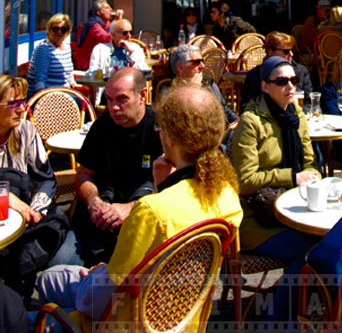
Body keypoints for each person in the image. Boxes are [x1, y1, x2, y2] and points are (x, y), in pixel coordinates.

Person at [36, 85, 243, 326]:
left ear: (171, 138)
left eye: (161, 129)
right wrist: (163, 187)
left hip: (129, 322)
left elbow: (103, 296)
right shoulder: (227, 196)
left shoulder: (152, 210)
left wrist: (98, 274)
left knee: (49, 280)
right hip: (183, 319)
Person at [52, 68, 162, 267]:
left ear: (142, 95)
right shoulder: (101, 127)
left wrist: (131, 208)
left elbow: (173, 187)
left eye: (122, 99)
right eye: (109, 100)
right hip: (95, 222)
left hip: (140, 223)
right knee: (58, 265)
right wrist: (94, 202)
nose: (114, 108)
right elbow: (84, 174)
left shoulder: (160, 129)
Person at [231, 56, 320, 263]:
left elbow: (310, 163)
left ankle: (297, 294)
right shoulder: (250, 122)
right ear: (265, 86)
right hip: (259, 217)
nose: (290, 86)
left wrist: (313, 176)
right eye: (281, 82)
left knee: (332, 241)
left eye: (293, 80)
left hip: (296, 208)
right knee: (308, 252)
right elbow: (245, 181)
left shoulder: (296, 115)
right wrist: (292, 177)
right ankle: (289, 295)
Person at [0, 75, 68, 303]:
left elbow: (46, 179)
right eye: (13, 104)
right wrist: (9, 199)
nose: (21, 110)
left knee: (55, 225)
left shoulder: (25, 131)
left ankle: (16, 289)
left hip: (25, 216)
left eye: (23, 102)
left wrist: (35, 209)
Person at [164, 44, 238, 128]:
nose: (202, 66)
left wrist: (238, 121)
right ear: (180, 68)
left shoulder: (209, 84)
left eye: (203, 61)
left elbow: (225, 110)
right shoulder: (169, 93)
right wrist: (193, 90)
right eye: (196, 62)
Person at [241, 31, 313, 112]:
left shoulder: (301, 71)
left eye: (294, 80)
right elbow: (246, 105)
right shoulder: (255, 75)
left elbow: (308, 102)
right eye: (286, 51)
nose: (291, 54)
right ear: (271, 52)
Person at [88, 18, 150, 102]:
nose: (129, 36)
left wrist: (131, 52)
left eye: (130, 32)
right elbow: (92, 72)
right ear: (113, 35)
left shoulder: (135, 49)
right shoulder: (100, 49)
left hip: (131, 89)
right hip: (108, 90)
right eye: (125, 33)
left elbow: (143, 71)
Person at [27, 13, 76, 99]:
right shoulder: (44, 49)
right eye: (55, 29)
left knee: (87, 103)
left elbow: (68, 72)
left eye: (63, 29)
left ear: (68, 32)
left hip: (63, 94)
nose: (59, 32)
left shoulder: (66, 47)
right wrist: (43, 101)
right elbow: (40, 79)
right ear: (49, 30)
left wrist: (73, 83)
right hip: (48, 98)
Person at [75, 0, 118, 70]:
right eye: (107, 8)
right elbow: (107, 38)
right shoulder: (93, 24)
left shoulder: (106, 23)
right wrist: (118, 21)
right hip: (87, 64)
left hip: (100, 61)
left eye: (110, 7)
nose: (110, 9)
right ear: (98, 12)